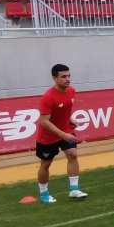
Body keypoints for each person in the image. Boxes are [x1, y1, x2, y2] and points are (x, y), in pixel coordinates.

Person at [35, 64, 87, 203]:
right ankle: (44, 193)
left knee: (73, 154)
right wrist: (63, 134)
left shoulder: (71, 91)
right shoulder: (47, 97)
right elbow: (44, 121)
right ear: (54, 78)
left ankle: (74, 189)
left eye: (69, 76)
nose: (67, 79)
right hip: (48, 136)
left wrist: (70, 119)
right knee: (46, 164)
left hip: (66, 130)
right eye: (63, 76)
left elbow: (63, 110)